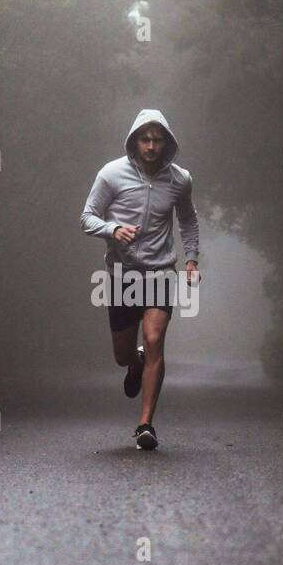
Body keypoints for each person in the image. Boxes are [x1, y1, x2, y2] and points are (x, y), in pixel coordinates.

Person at [80, 109, 200, 450]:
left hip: (161, 271)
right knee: (122, 354)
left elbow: (189, 221)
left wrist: (191, 259)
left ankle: (145, 424)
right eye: (145, 139)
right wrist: (113, 229)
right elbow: (86, 217)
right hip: (121, 274)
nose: (151, 146)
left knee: (154, 338)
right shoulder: (111, 174)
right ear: (135, 140)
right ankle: (134, 364)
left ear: (167, 142)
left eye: (157, 139)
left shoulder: (180, 179)